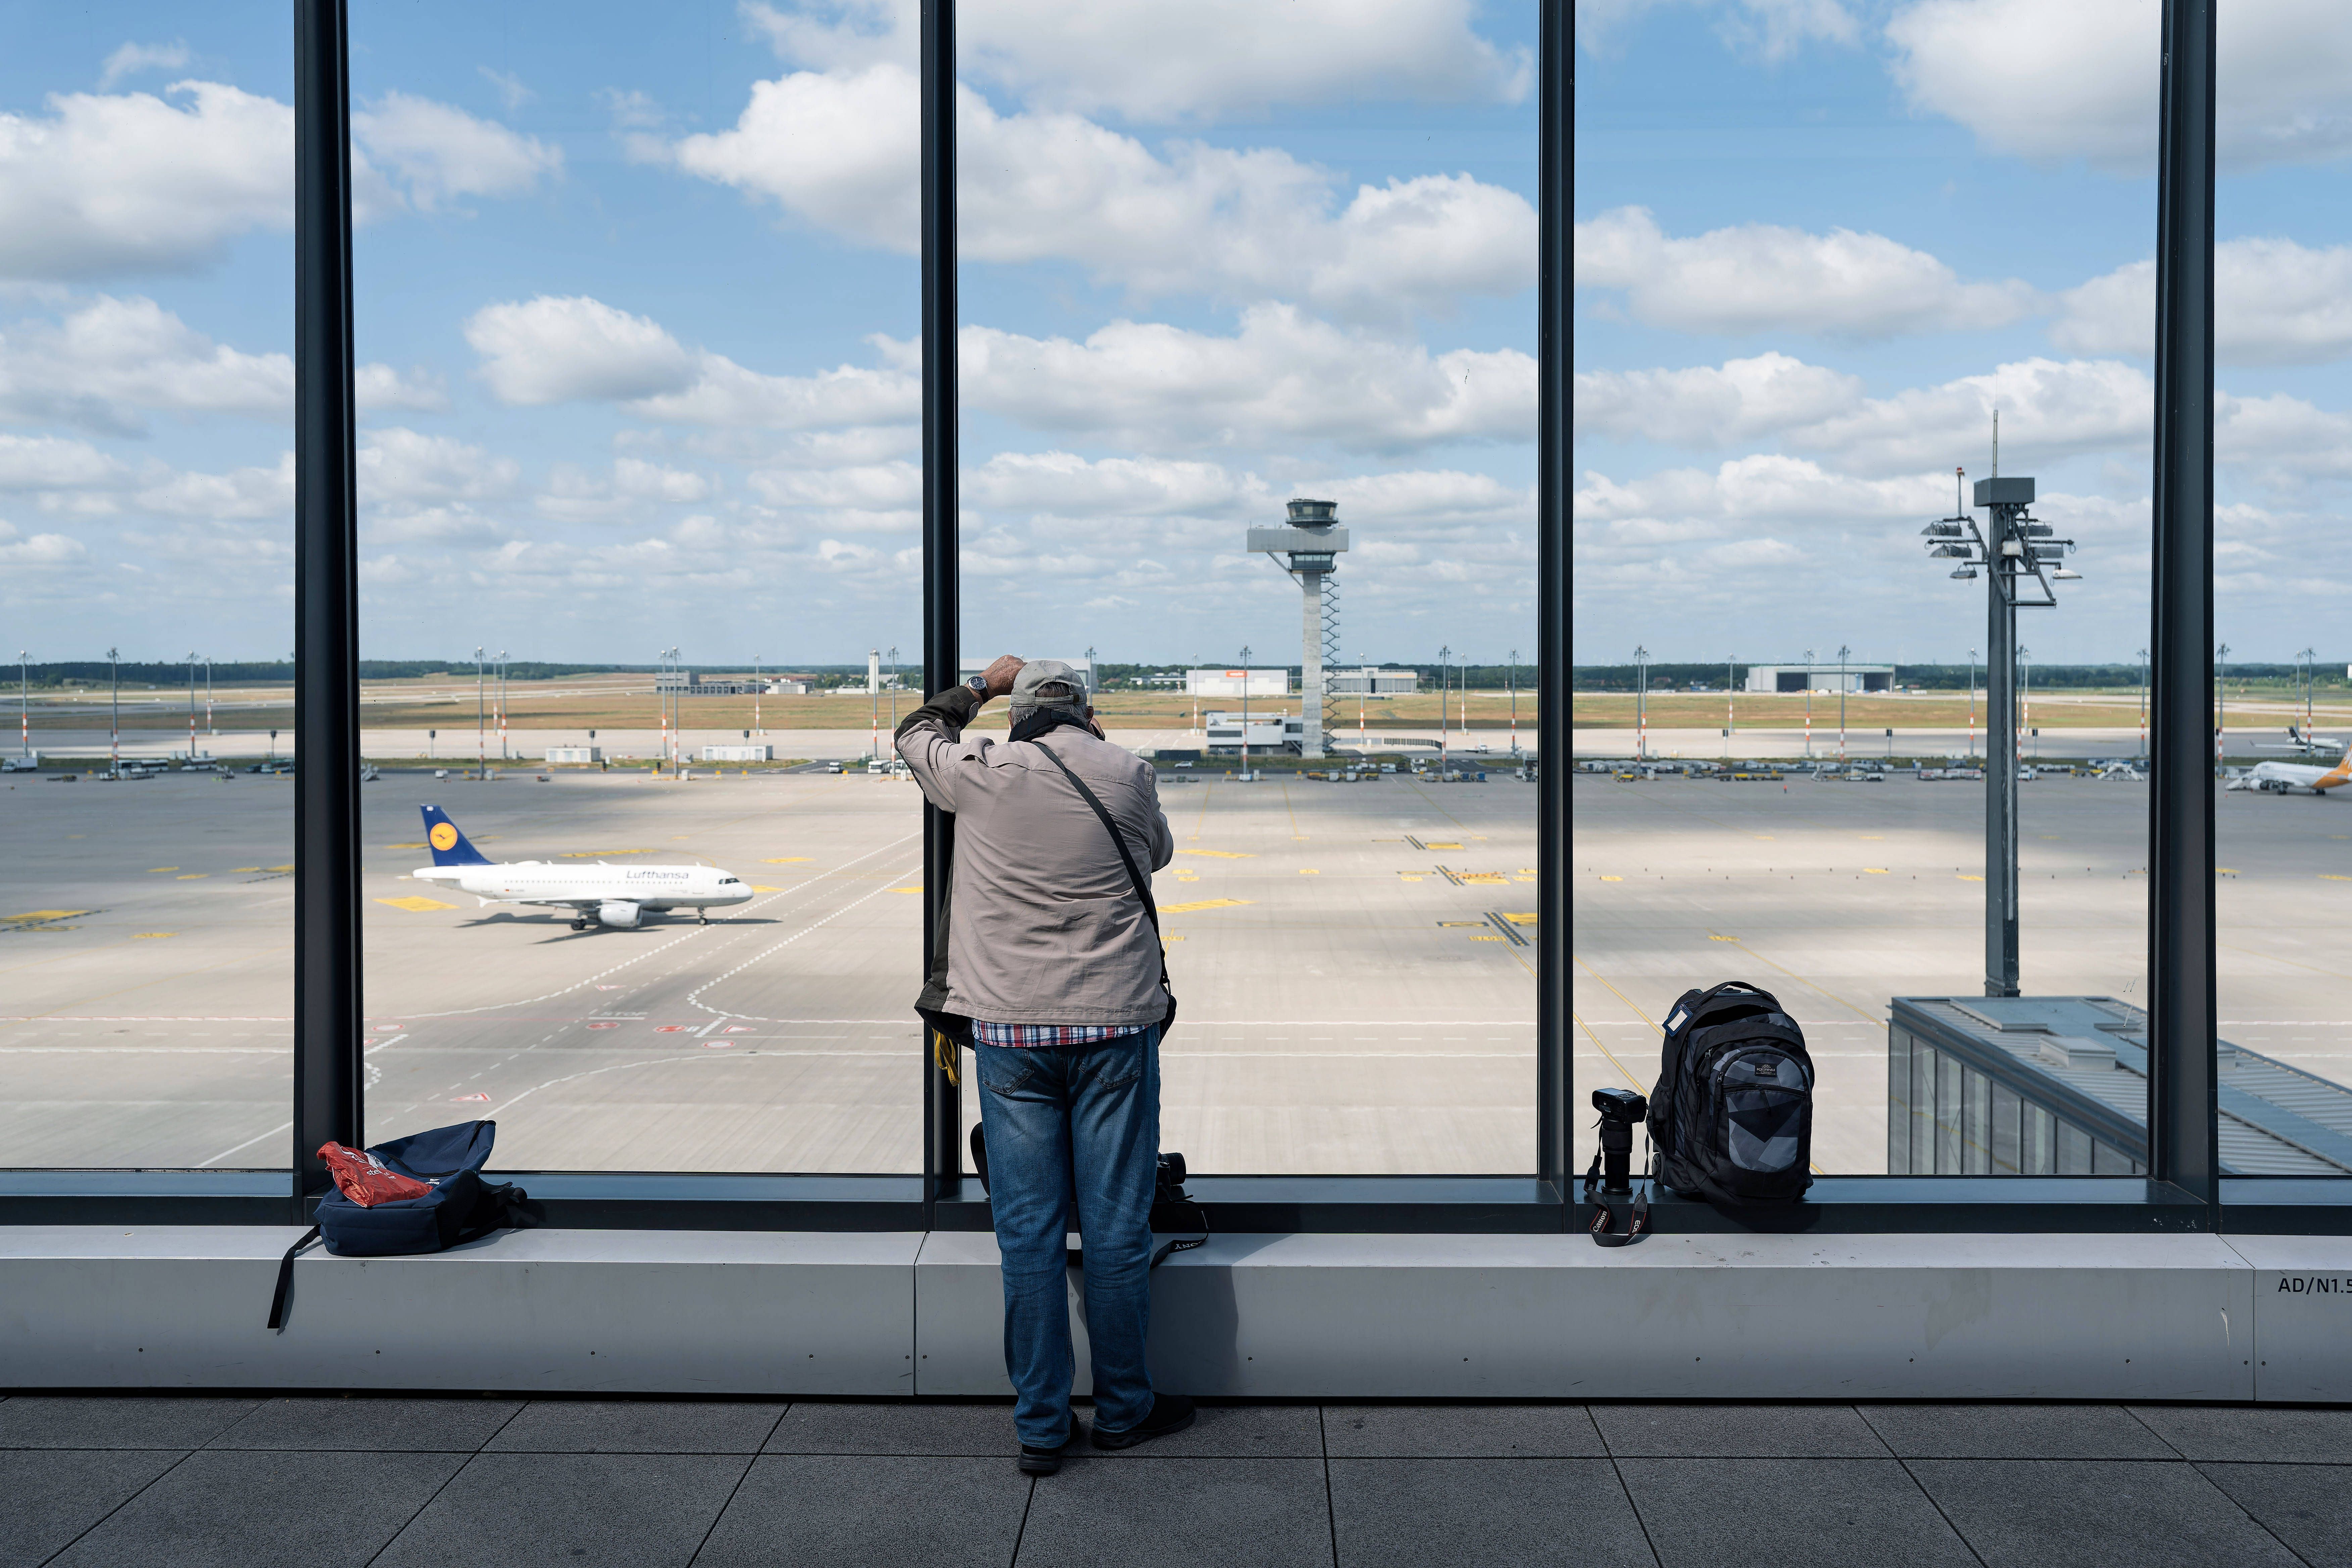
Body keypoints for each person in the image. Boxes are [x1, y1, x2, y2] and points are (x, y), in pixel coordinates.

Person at [895, 654, 1194, 1474]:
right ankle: (1127, 1407)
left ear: (1018, 712)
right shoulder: (1130, 771)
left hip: (1012, 1031)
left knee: (1026, 1236)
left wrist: (980, 688)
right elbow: (1156, 854)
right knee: (1116, 1228)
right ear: (1089, 712)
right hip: (1114, 1026)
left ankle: (1040, 1424)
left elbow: (915, 732)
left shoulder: (982, 769)